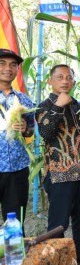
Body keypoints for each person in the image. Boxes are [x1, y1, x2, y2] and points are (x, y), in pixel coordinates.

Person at [36, 64, 80, 265]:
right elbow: (46, 133)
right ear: (50, 81)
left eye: (69, 77)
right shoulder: (44, 106)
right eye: (60, 77)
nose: (65, 81)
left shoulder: (79, 106)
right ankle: (55, 261)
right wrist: (59, 106)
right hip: (59, 176)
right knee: (59, 222)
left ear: (74, 82)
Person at [0, 49, 34, 229]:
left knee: (14, 223)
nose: (8, 68)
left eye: (13, 64)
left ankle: (14, 257)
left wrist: (25, 129)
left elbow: (31, 131)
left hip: (16, 169)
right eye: (2, 63)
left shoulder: (24, 100)